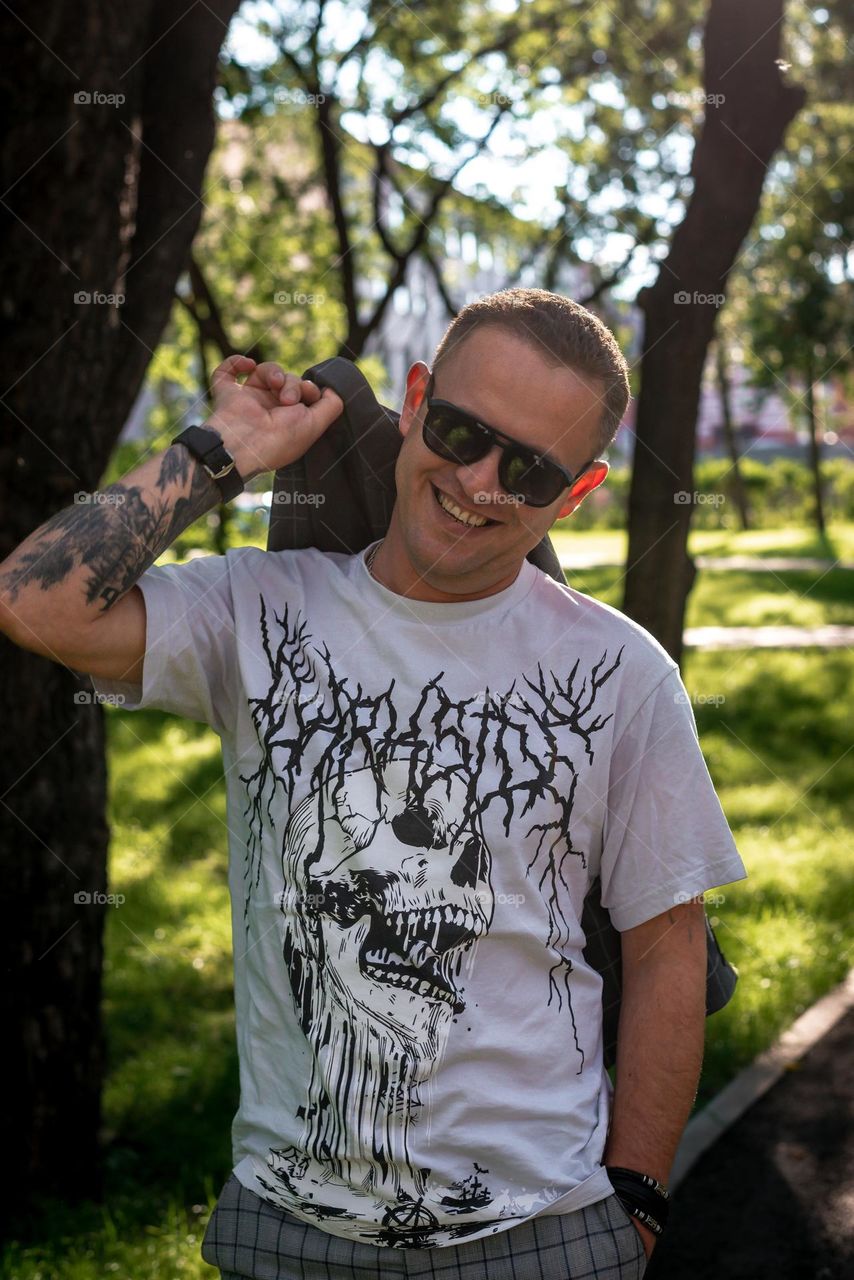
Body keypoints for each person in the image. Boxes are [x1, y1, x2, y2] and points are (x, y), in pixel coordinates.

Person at [0, 288, 748, 1280]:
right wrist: (221, 451)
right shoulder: (260, 612)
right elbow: (34, 601)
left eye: (527, 469)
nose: (478, 480)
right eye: (458, 430)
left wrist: (637, 1205)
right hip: (286, 1227)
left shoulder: (620, 673)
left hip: (540, 1233)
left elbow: (666, 945)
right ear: (414, 397)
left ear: (574, 494)